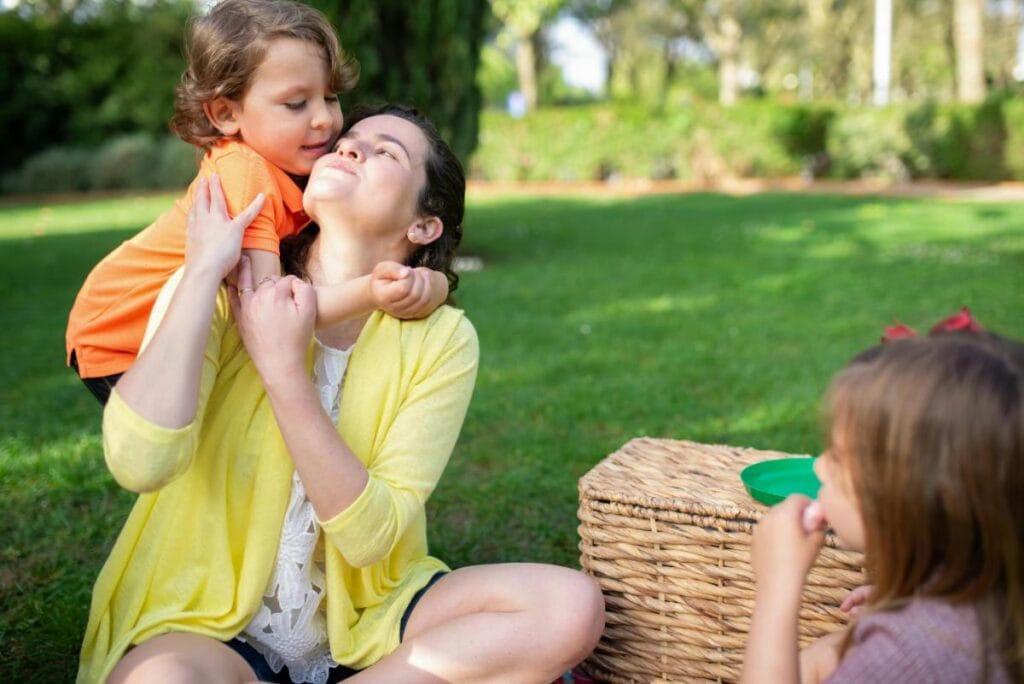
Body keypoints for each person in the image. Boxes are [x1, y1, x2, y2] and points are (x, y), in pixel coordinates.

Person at [77, 104, 606, 684]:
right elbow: (139, 460)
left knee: (568, 607)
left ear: (424, 226)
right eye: (348, 142)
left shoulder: (442, 339)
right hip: (206, 623)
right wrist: (201, 272)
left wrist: (285, 373)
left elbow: (370, 538)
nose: (349, 148)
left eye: (387, 152)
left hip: (369, 619)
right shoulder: (225, 286)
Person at [65, 0, 448, 404]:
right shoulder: (244, 175)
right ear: (227, 114)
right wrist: (371, 291)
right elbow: (269, 316)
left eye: (331, 97)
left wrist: (433, 282)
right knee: (178, 448)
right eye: (296, 104)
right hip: (119, 334)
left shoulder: (293, 170)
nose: (323, 119)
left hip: (160, 330)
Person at [741, 314, 1022, 683]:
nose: (821, 469)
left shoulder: (908, 655)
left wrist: (778, 583)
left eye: (838, 458)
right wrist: (916, 598)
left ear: (907, 498)